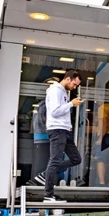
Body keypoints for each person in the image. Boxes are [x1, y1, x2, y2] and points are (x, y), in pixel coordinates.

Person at [43, 69, 83, 202]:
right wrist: (71, 104)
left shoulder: (63, 91)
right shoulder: (55, 91)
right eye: (74, 84)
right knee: (55, 160)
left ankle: (47, 173)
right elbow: (55, 112)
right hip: (57, 129)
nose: (74, 87)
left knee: (76, 159)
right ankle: (48, 195)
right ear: (68, 79)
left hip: (64, 130)